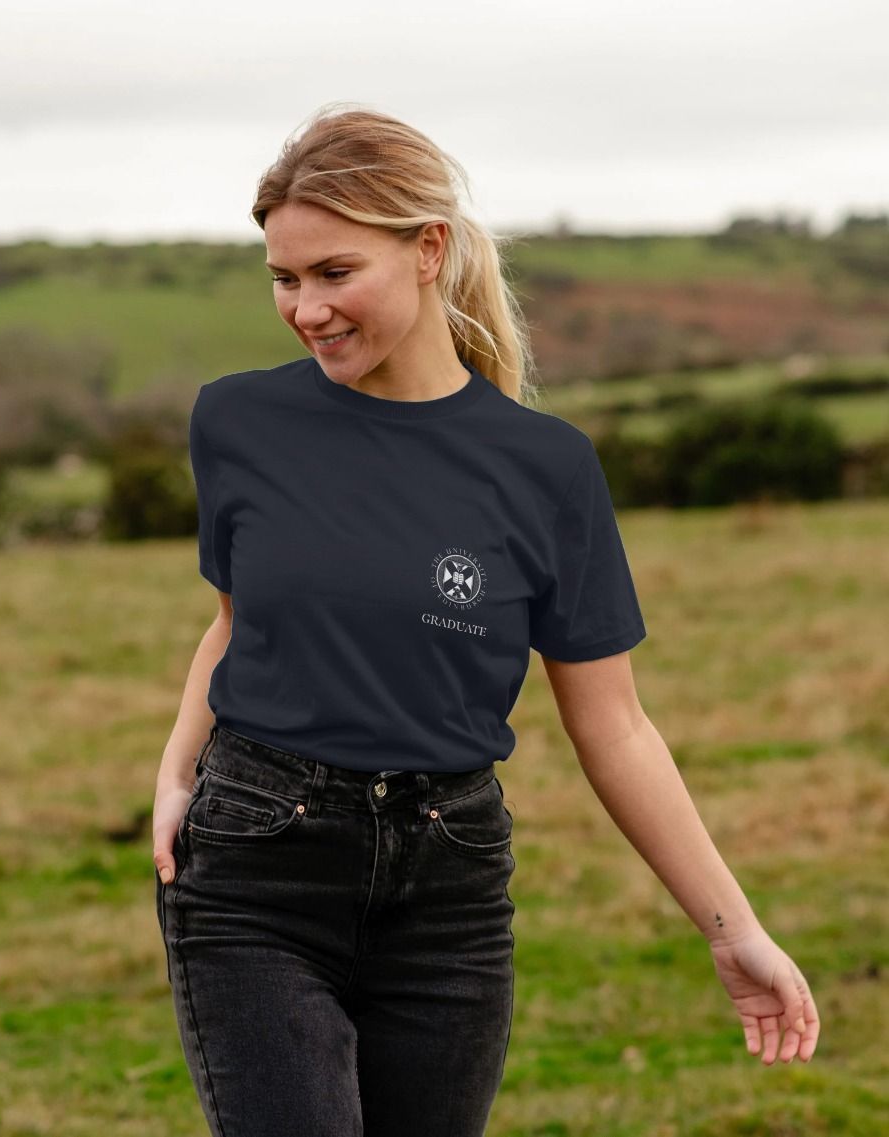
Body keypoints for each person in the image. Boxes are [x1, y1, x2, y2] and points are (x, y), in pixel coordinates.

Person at [151, 103, 820, 1137]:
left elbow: (617, 727)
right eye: (284, 278)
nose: (304, 308)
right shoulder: (239, 421)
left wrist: (733, 929)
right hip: (257, 872)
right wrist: (177, 773)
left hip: (447, 893)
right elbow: (237, 621)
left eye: (334, 273)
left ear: (428, 252)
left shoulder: (546, 469)